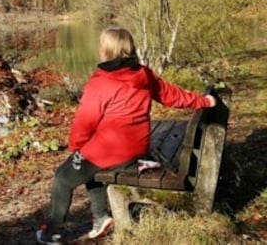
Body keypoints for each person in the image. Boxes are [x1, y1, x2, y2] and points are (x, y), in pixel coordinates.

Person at [36, 27, 217, 244]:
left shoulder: (101, 83)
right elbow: (171, 95)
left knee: (63, 178)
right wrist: (204, 100)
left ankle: (52, 233)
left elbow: (84, 122)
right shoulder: (143, 74)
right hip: (136, 147)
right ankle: (101, 218)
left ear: (105, 51)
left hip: (111, 149)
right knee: (89, 167)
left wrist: (77, 146)